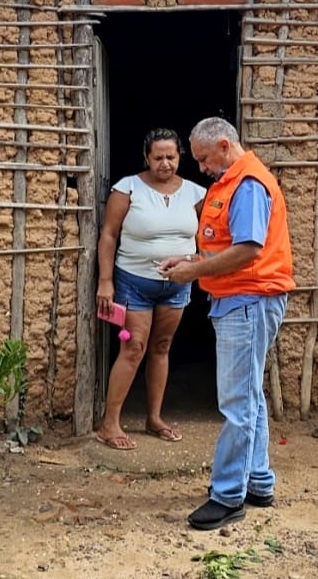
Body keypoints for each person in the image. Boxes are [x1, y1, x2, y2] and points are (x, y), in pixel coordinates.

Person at [159, 117, 294, 531]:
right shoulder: (232, 182)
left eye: (202, 159)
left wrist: (192, 275)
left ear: (223, 145)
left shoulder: (248, 184)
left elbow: (248, 250)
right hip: (242, 299)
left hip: (249, 299)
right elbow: (224, 245)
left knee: (236, 403)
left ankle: (228, 495)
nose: (200, 168)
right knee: (249, 397)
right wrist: (192, 262)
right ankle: (258, 481)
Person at [95, 128, 207, 451]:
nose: (165, 163)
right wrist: (106, 281)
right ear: (146, 157)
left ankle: (154, 418)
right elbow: (108, 236)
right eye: (157, 157)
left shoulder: (196, 194)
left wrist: (194, 262)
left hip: (176, 286)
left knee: (161, 346)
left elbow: (210, 239)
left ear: (180, 157)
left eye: (171, 157)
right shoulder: (127, 188)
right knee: (134, 348)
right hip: (134, 281)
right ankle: (109, 423)